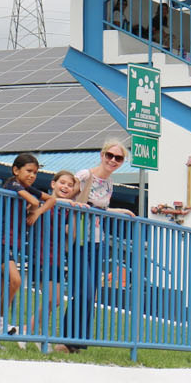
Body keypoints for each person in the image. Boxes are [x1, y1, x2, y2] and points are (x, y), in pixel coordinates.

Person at [64, 140, 135, 352]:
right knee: (84, 291)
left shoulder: (110, 183)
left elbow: (101, 209)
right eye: (109, 155)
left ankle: (78, 343)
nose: (113, 160)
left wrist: (122, 210)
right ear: (102, 155)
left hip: (96, 240)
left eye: (118, 158)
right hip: (79, 239)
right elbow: (66, 194)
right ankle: (67, 339)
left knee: (91, 293)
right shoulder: (85, 175)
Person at [0, 153, 53, 345]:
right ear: (16, 170)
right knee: (15, 280)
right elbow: (33, 201)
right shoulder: (12, 185)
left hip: (14, 245)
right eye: (28, 171)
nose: (32, 175)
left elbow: (51, 199)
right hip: (2, 242)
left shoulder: (26, 187)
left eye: (35, 172)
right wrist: (34, 206)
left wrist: (38, 211)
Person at [33, 170, 79, 343]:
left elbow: (72, 235)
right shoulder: (45, 201)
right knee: (52, 298)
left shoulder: (66, 210)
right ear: (53, 184)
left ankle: (30, 330)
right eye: (62, 183)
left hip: (58, 258)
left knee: (57, 299)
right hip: (43, 256)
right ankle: (31, 332)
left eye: (70, 185)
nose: (65, 187)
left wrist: (73, 210)